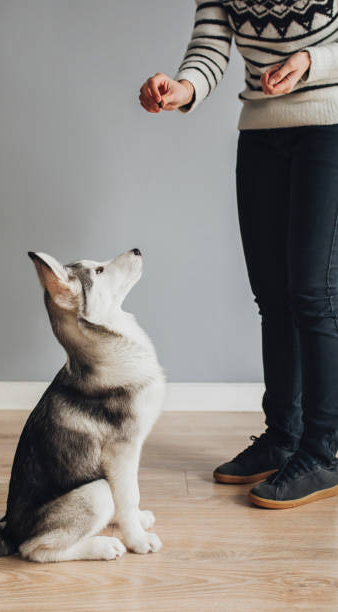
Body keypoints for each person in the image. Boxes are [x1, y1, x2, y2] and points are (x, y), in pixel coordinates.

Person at [139, 0, 338, 509]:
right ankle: (284, 437)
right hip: (261, 133)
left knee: (313, 295)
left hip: (329, 127)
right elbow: (210, 45)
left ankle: (326, 451)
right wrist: (182, 89)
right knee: (273, 296)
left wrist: (312, 61)